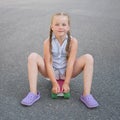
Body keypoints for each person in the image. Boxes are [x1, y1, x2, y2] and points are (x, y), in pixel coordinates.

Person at [21, 12, 99, 108]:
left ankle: (86, 95)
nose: (60, 27)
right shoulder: (47, 42)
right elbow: (48, 63)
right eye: (57, 24)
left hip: (67, 72)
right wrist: (54, 83)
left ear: (68, 27)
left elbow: (71, 63)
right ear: (52, 27)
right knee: (32, 56)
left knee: (88, 58)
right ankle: (33, 93)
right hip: (51, 71)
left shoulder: (73, 42)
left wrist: (66, 83)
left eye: (63, 24)